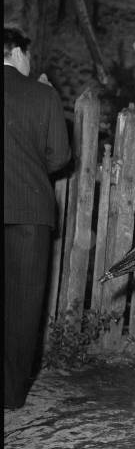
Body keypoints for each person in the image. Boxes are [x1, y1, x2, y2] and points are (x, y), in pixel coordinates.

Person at [4, 27, 71, 409]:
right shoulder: (42, 94)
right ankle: (11, 394)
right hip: (29, 214)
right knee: (23, 308)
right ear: (15, 52)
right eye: (27, 55)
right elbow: (59, 157)